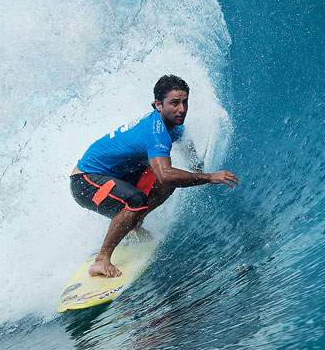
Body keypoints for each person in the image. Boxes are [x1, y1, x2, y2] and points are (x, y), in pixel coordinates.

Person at [70, 74, 239, 277]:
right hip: (86, 181)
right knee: (141, 196)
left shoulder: (173, 127)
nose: (182, 109)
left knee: (167, 182)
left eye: (185, 102)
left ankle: (133, 226)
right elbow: (166, 174)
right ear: (158, 104)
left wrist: (198, 170)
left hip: (117, 176)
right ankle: (101, 260)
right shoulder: (155, 131)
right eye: (174, 103)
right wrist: (209, 177)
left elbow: (184, 152)